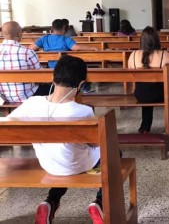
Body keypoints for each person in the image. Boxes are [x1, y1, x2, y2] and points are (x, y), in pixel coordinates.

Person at [7, 55, 103, 223]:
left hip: (49, 165)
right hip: (79, 165)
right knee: (114, 151)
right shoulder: (83, 111)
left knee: (62, 154)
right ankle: (100, 203)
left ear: (52, 79)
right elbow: (95, 142)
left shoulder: (32, 103)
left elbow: (8, 126)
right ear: (81, 84)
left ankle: (50, 201)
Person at [128, 27, 169, 133]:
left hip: (140, 93)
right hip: (159, 92)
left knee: (146, 91)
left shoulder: (133, 55)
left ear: (141, 40)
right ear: (157, 39)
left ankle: (145, 127)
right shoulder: (165, 55)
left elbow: (130, 75)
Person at [0, 21, 50, 102]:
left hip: (2, 98)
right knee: (55, 90)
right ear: (20, 34)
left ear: (3, 34)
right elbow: (41, 77)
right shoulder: (27, 52)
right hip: (27, 96)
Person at [29, 19, 98, 68]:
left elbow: (30, 48)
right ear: (64, 28)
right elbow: (76, 48)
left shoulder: (44, 38)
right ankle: (85, 87)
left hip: (52, 67)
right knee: (82, 66)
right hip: (66, 67)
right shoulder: (66, 39)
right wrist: (93, 48)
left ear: (52, 28)